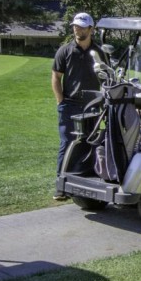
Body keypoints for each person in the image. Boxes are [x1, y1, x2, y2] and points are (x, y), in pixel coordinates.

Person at [51, 11, 104, 199]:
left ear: (91, 29)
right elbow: (56, 77)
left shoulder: (98, 52)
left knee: (89, 144)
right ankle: (61, 185)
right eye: (75, 26)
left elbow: (105, 78)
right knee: (67, 143)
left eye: (81, 26)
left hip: (92, 107)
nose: (76, 29)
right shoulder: (65, 51)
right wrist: (61, 101)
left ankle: (83, 182)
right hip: (70, 106)